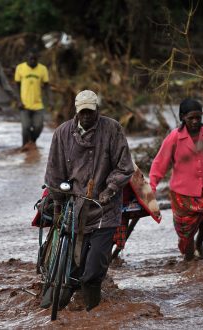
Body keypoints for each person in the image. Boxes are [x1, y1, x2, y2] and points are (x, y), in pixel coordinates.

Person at [43, 90, 134, 311]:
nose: (86, 116)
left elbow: (125, 167)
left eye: (90, 112)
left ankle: (93, 312)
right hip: (75, 206)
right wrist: (56, 201)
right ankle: (64, 302)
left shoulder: (112, 129)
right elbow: (55, 172)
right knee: (73, 264)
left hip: (105, 208)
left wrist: (109, 189)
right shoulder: (62, 133)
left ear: (97, 110)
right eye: (82, 112)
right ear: (76, 111)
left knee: (94, 269)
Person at [149, 98, 203, 261]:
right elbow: (160, 163)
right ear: (182, 117)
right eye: (191, 118)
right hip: (183, 194)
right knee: (186, 237)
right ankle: (189, 257)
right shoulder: (174, 137)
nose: (195, 121)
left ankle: (200, 243)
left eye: (198, 117)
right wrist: (151, 187)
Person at [14, 49, 53, 148]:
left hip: (38, 104)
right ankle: (24, 148)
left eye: (34, 59)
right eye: (30, 59)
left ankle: (32, 142)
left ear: (37, 59)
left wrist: (51, 100)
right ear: (27, 58)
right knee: (25, 127)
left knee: (39, 127)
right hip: (24, 104)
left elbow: (47, 86)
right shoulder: (20, 68)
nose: (32, 61)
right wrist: (18, 101)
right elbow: (17, 86)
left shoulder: (43, 69)